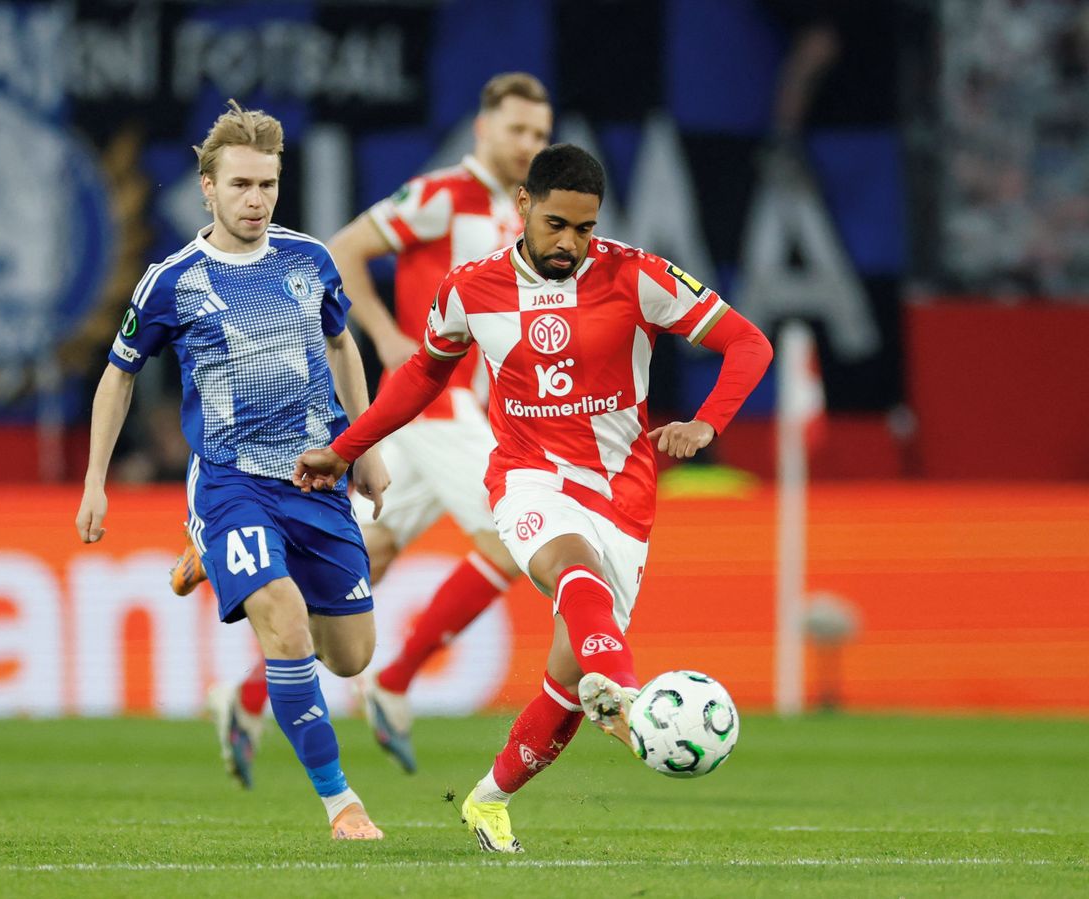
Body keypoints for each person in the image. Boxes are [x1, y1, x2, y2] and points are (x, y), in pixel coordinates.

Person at [293, 144, 773, 852]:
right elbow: (422, 376)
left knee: (565, 685)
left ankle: (489, 800)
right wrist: (346, 447)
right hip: (526, 477)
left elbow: (749, 344)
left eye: (585, 228)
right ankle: (628, 693)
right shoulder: (471, 288)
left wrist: (708, 422)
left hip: (623, 496)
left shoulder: (638, 275)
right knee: (573, 569)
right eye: (556, 224)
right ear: (523, 205)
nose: (570, 243)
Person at [174, 73, 553, 778]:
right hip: (436, 404)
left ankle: (245, 695)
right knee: (513, 540)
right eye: (516, 130)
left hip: (450, 414)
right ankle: (396, 681)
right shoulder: (442, 194)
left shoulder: (515, 210)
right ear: (483, 129)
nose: (529, 144)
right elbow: (345, 248)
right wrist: (384, 334)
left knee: (365, 558)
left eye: (539, 133)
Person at [75, 100, 389, 841]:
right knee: (281, 617)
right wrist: (94, 480)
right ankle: (341, 803)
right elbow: (118, 375)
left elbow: (341, 345)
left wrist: (367, 446)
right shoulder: (171, 281)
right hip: (231, 481)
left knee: (351, 657)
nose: (256, 199)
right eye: (241, 185)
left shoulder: (309, 260)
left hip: (316, 479)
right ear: (208, 188)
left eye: (267, 185)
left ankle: (211, 559)